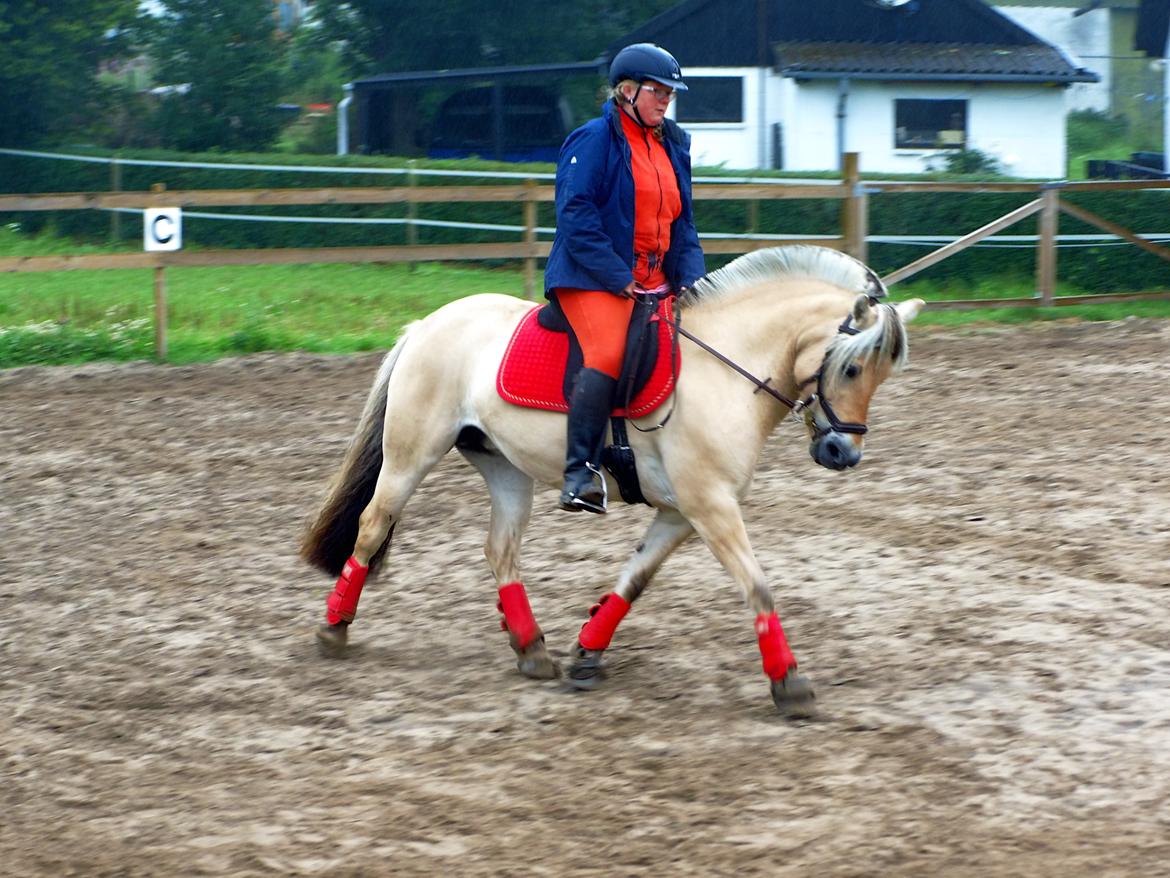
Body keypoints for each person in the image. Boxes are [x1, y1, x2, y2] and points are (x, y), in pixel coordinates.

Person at [543, 42, 706, 514]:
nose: (665, 100)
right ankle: (580, 473)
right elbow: (575, 215)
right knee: (608, 351)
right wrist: (617, 276)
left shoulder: (672, 144)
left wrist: (694, 277)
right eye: (658, 91)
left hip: (656, 278)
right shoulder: (593, 140)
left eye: (670, 93)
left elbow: (684, 223)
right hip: (592, 277)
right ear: (627, 91)